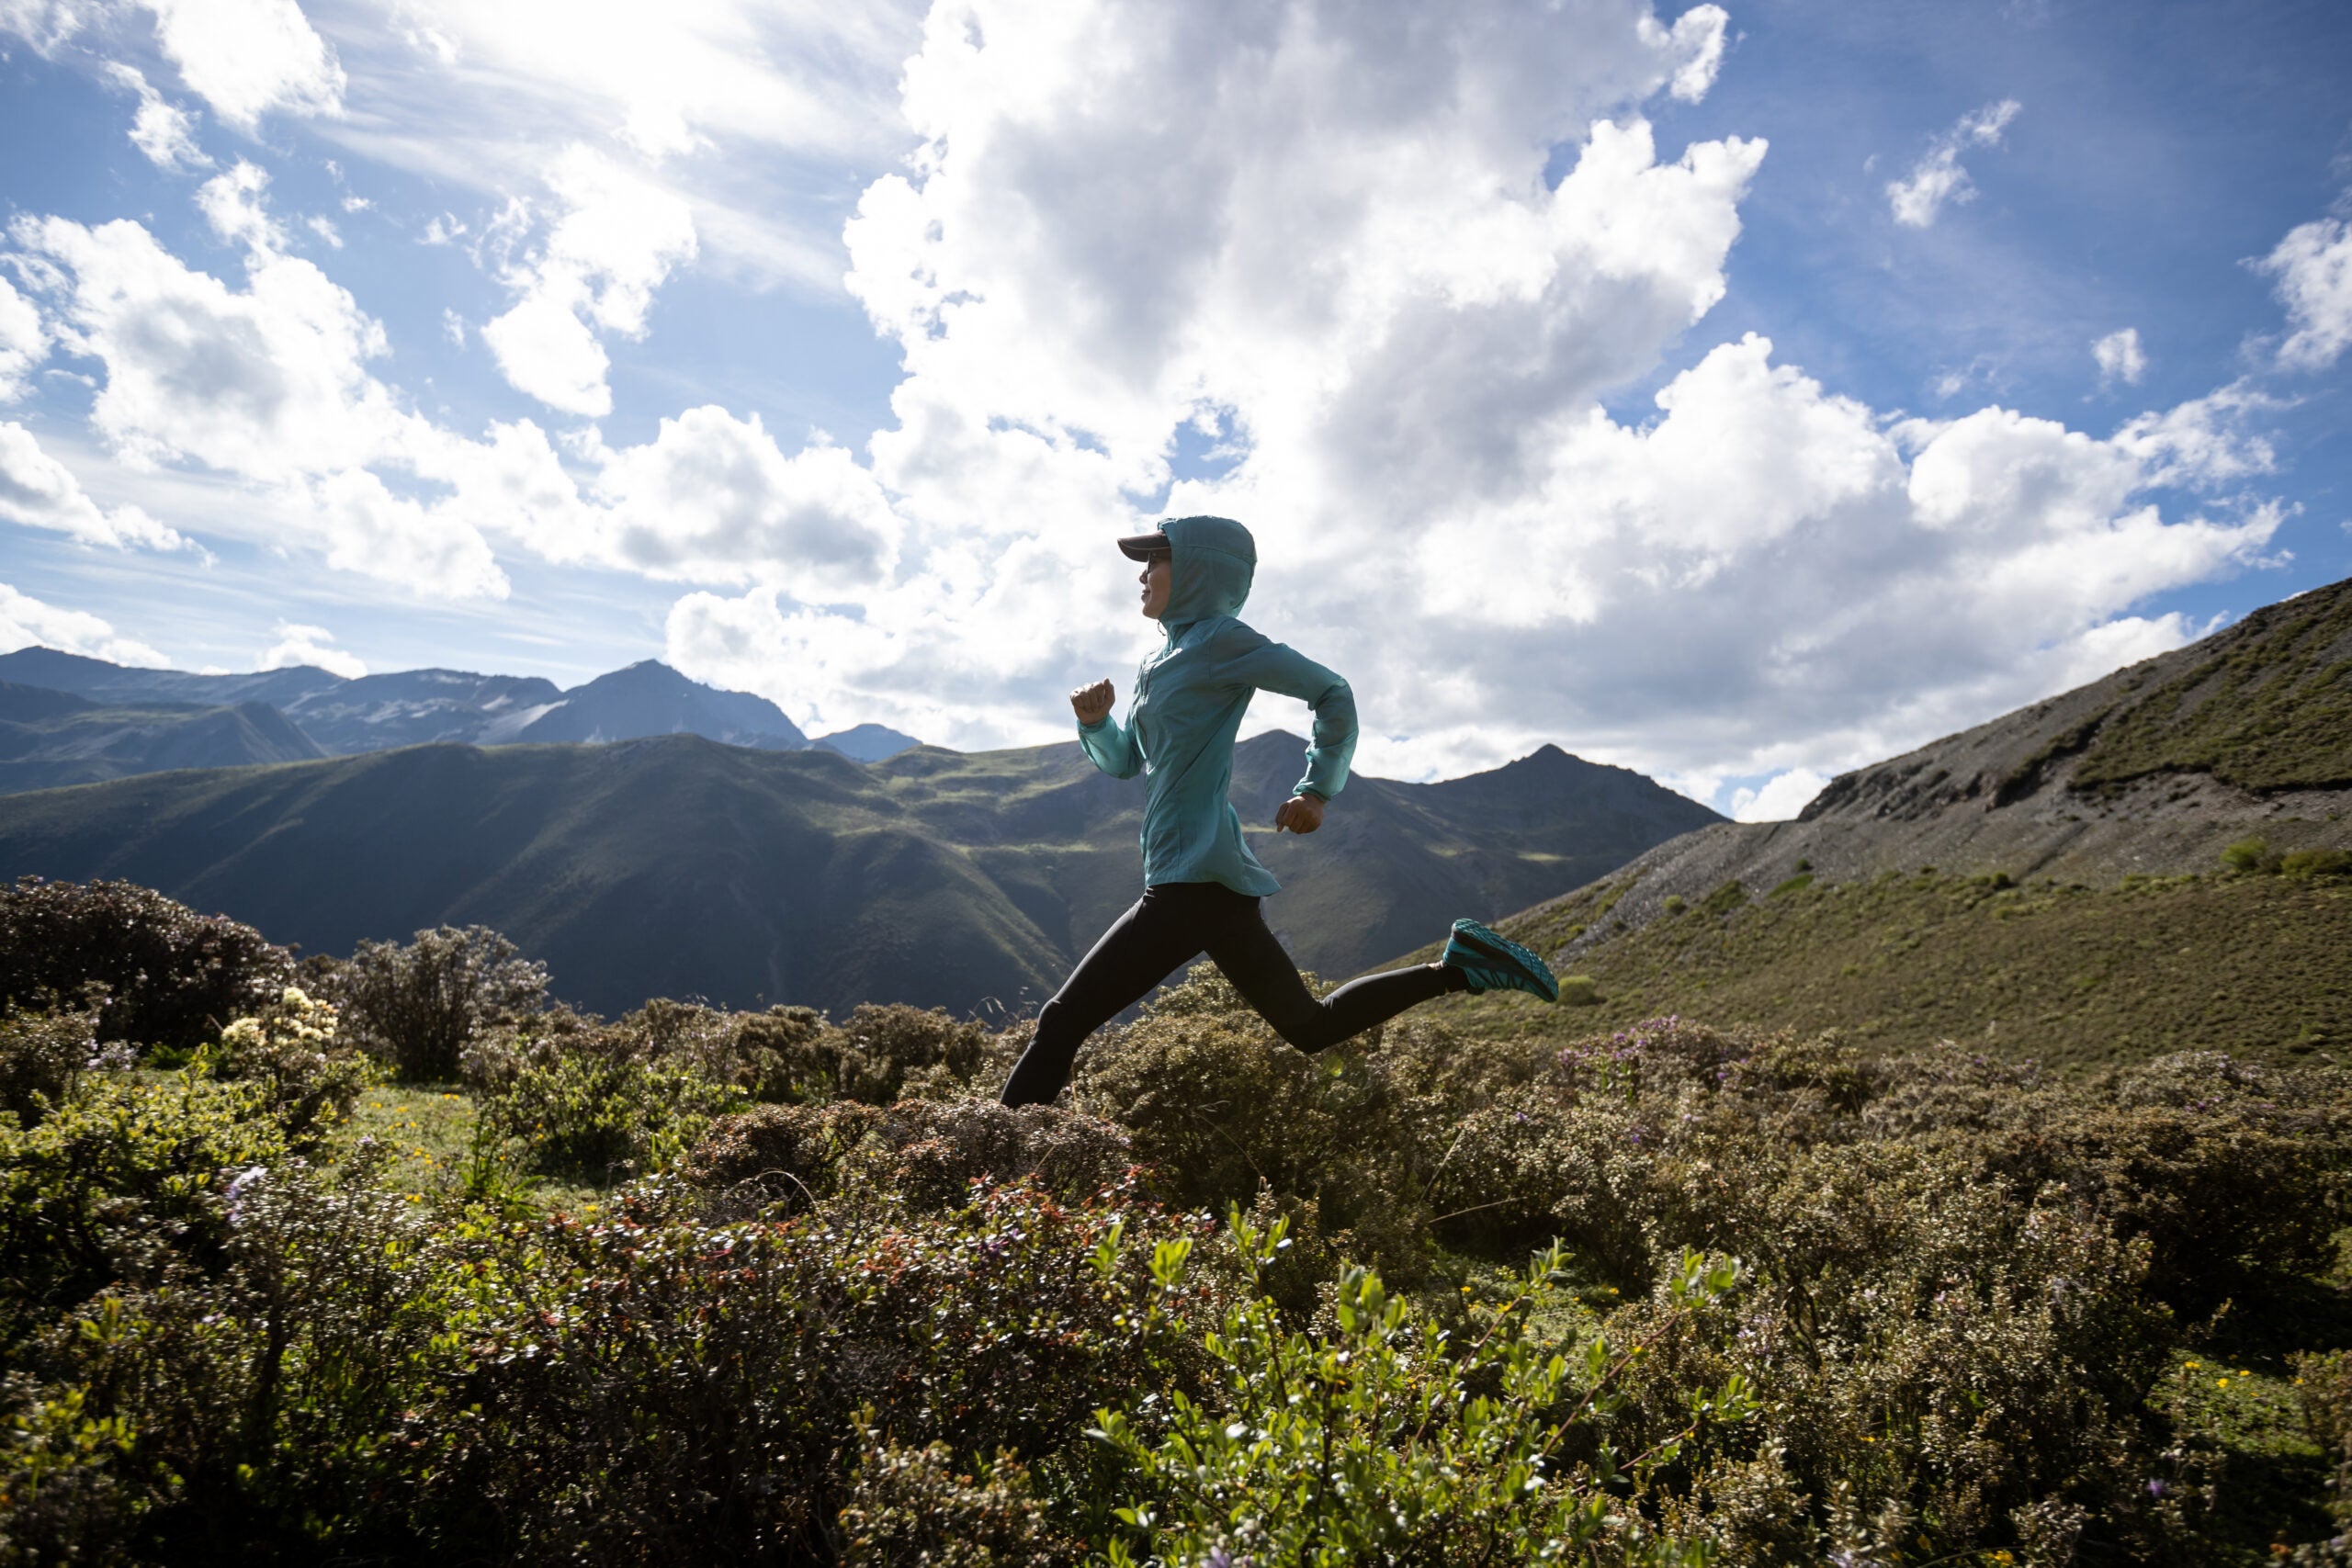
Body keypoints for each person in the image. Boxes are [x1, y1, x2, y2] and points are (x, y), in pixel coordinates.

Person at [997, 513, 1559, 1108]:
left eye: (1155, 560)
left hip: (1190, 884)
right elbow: (1127, 761)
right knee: (1309, 1027)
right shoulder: (1158, 661)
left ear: (1196, 571)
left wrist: (1317, 789)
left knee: (1061, 1021)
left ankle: (982, 1164)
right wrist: (1096, 723)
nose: (1142, 573)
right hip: (1207, 885)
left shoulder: (1223, 642)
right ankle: (1460, 967)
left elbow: (1332, 691)